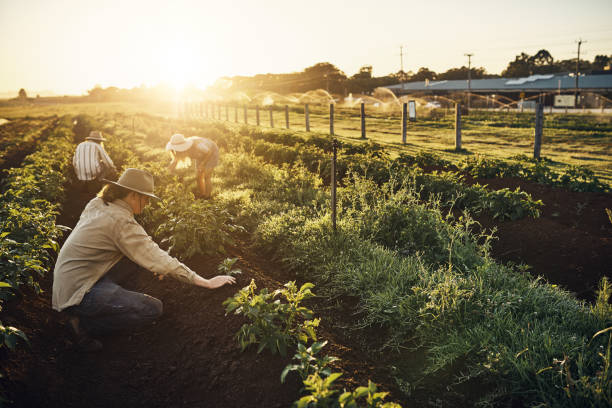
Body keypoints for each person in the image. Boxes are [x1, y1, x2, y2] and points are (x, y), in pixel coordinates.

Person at [52, 168, 236, 351]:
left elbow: (143, 253)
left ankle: (98, 306)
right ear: (133, 195)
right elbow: (156, 255)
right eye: (146, 198)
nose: (147, 203)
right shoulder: (121, 222)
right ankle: (82, 326)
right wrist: (205, 282)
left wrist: (153, 265)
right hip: (80, 294)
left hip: (68, 282)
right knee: (152, 308)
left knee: (136, 262)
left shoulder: (98, 203)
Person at [166, 134, 219, 198]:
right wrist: (166, 173)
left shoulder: (197, 145)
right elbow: (174, 162)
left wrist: (203, 164)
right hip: (201, 156)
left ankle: (208, 197)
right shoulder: (179, 152)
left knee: (207, 176)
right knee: (198, 176)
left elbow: (209, 152)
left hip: (211, 152)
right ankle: (202, 195)